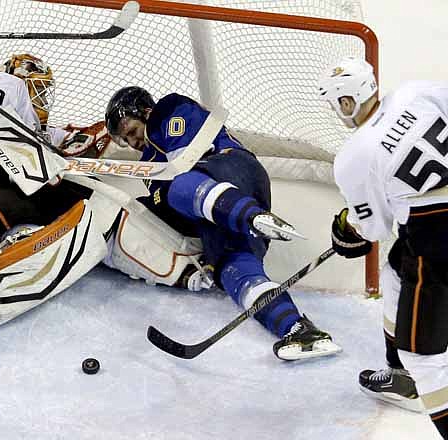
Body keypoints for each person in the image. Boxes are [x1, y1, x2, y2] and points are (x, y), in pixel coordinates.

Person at [0, 54, 213, 339]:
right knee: (94, 203)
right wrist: (27, 156)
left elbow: (72, 142)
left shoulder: (37, 129)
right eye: (37, 89)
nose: (41, 99)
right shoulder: (4, 84)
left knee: (92, 217)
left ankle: (186, 266)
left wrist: (100, 133)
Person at [318, 56, 448, 439]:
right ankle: (401, 379)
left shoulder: (353, 157)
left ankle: (440, 408)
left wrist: (347, 227)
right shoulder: (415, 92)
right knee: (394, 271)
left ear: (345, 103)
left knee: (424, 358)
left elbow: (373, 228)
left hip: (441, 236)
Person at [105, 87, 341, 361]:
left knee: (179, 185)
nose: (133, 142)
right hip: (214, 213)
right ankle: (299, 330)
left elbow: (184, 165)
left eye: (132, 131)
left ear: (145, 112)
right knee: (236, 274)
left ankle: (250, 216)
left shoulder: (168, 110)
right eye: (125, 140)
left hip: (233, 168)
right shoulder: (147, 162)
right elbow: (167, 206)